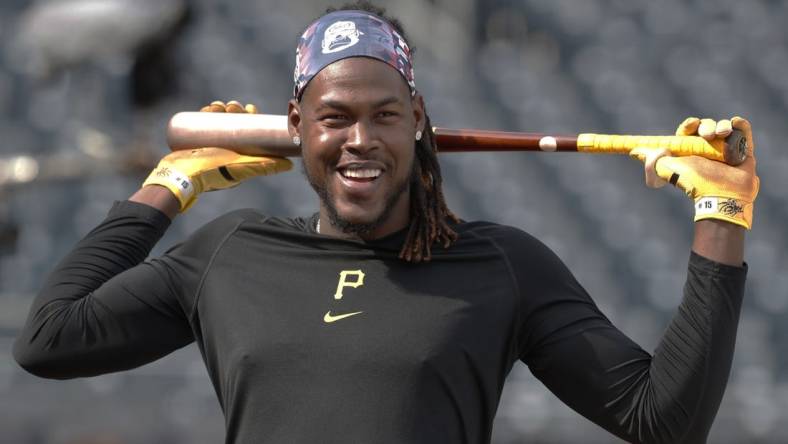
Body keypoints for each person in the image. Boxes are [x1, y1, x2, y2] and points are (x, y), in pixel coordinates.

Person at [13, 2, 759, 443]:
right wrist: (171, 185)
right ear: (299, 126)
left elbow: (663, 422)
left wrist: (720, 214)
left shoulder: (502, 265)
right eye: (335, 118)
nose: (360, 140)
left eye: (385, 116)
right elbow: (49, 340)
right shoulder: (230, 254)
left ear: (418, 123)